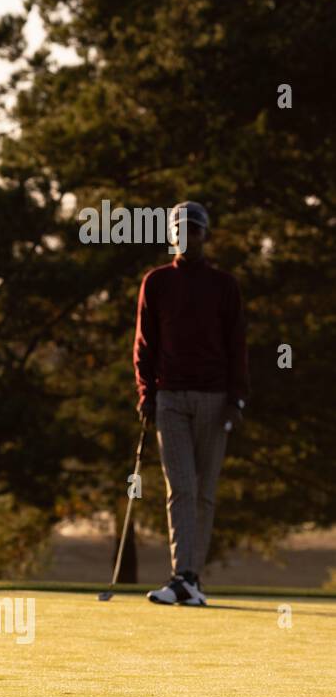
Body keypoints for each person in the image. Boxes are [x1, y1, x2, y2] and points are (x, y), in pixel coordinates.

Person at [132, 201, 248, 606]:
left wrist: (237, 399)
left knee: (205, 492)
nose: (187, 235)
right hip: (170, 398)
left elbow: (237, 346)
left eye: (194, 229)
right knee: (181, 488)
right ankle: (182, 575)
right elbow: (144, 345)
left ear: (204, 235)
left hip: (216, 399)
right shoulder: (157, 282)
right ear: (171, 235)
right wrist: (146, 393)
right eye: (180, 228)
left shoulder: (224, 285)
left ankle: (191, 580)